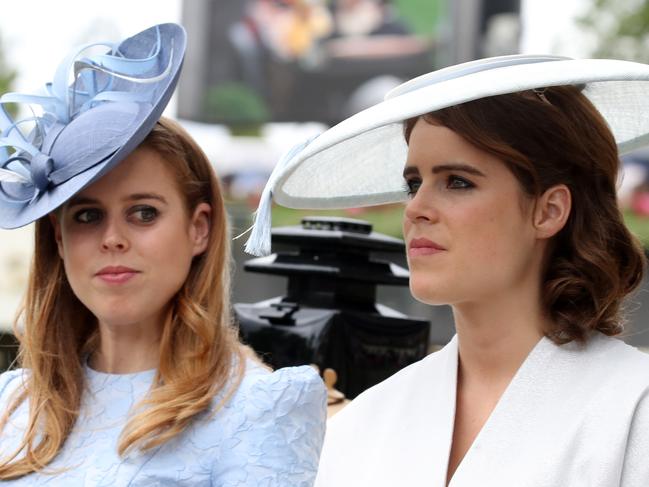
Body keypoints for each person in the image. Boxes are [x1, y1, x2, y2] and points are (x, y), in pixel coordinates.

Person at [244, 55, 649, 486]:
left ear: (548, 210)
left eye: (457, 181)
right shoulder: (366, 418)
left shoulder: (631, 407)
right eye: (414, 183)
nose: (417, 209)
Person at [0, 23, 326, 485]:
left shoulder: (257, 408)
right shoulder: (13, 404)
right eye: (88, 217)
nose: (112, 238)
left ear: (199, 228)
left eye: (143, 213)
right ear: (58, 237)